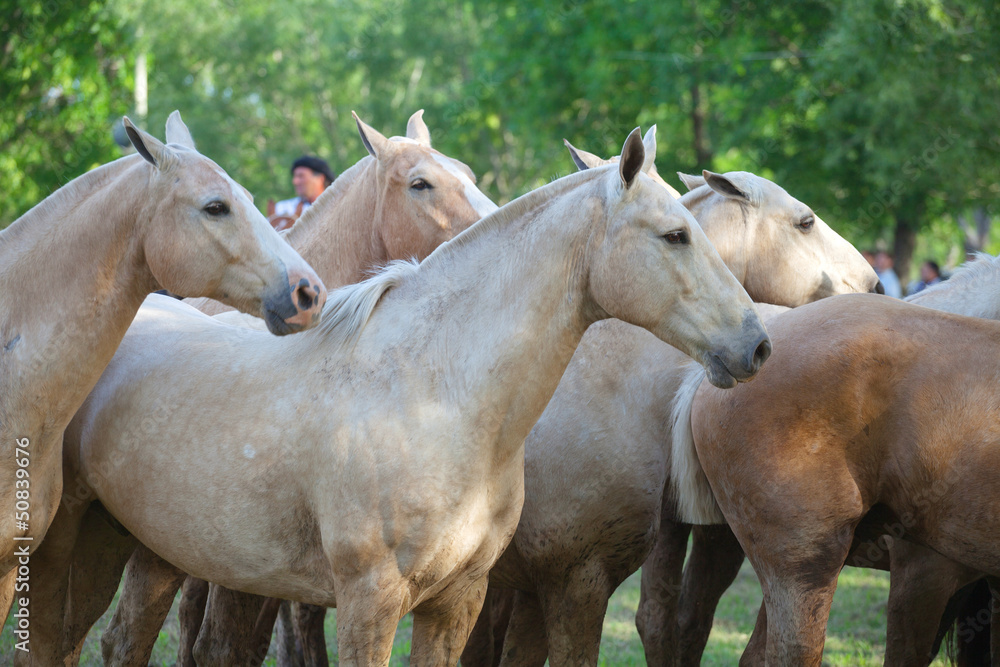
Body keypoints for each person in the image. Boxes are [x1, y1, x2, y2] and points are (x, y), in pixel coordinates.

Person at [270, 156, 336, 230]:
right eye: (295, 176)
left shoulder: (336, 208)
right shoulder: (282, 208)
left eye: (301, 176)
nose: (295, 181)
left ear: (320, 178)